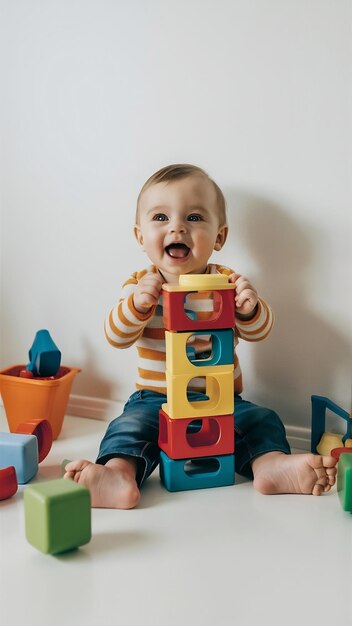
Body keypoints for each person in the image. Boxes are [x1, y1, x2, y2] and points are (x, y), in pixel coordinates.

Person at [64, 164, 337, 508]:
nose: (177, 226)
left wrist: (249, 308)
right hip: (155, 400)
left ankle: (271, 466)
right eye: (161, 217)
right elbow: (115, 336)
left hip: (221, 400)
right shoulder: (141, 283)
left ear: (219, 237)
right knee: (129, 426)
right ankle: (118, 474)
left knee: (261, 420)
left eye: (193, 218)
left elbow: (259, 331)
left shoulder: (227, 282)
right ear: (140, 237)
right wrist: (136, 305)